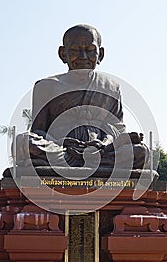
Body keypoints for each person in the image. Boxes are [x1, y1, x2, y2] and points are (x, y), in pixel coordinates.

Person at [16, 24, 149, 174]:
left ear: (101, 54)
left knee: (140, 152)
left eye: (91, 50)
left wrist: (103, 145)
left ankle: (90, 164)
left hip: (101, 152)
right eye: (75, 50)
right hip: (61, 150)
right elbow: (39, 131)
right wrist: (63, 143)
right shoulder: (46, 86)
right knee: (24, 141)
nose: (83, 57)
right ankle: (86, 166)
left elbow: (116, 128)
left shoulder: (110, 87)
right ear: (63, 54)